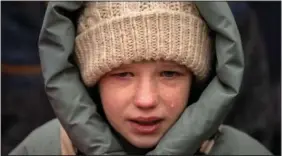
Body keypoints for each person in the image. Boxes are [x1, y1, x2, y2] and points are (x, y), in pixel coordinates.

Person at [9, 2, 272, 155]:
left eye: (170, 73)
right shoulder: (42, 149)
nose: (146, 99)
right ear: (90, 80)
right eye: (122, 74)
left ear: (197, 80)